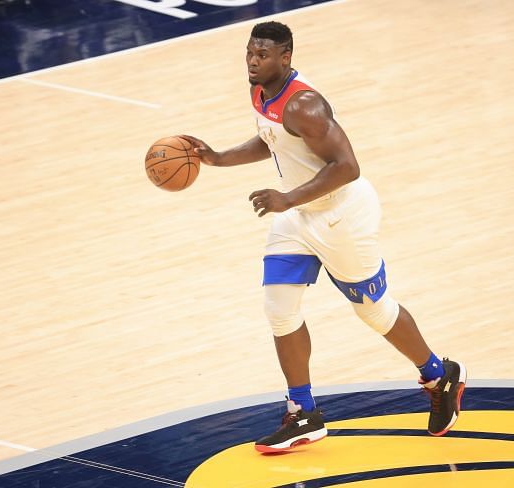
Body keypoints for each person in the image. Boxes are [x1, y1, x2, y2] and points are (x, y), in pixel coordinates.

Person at [180, 21, 466, 453]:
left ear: (286, 58)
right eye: (250, 53)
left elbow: (347, 165)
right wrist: (218, 159)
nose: (253, 62)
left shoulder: (305, 105)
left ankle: (439, 375)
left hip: (341, 216)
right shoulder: (260, 90)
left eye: (263, 55)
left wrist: (287, 197)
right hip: (297, 215)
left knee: (373, 312)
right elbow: (272, 140)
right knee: (279, 307)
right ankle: (304, 412)